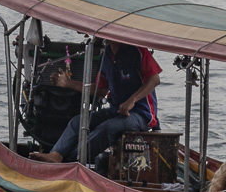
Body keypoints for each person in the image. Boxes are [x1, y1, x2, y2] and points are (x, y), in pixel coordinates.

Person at [30, 40, 161, 164]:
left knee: (107, 128)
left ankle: (69, 162)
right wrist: (68, 84)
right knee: (78, 121)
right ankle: (56, 154)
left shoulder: (138, 51)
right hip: (116, 111)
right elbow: (101, 89)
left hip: (141, 115)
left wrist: (131, 101)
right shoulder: (106, 56)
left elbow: (154, 80)